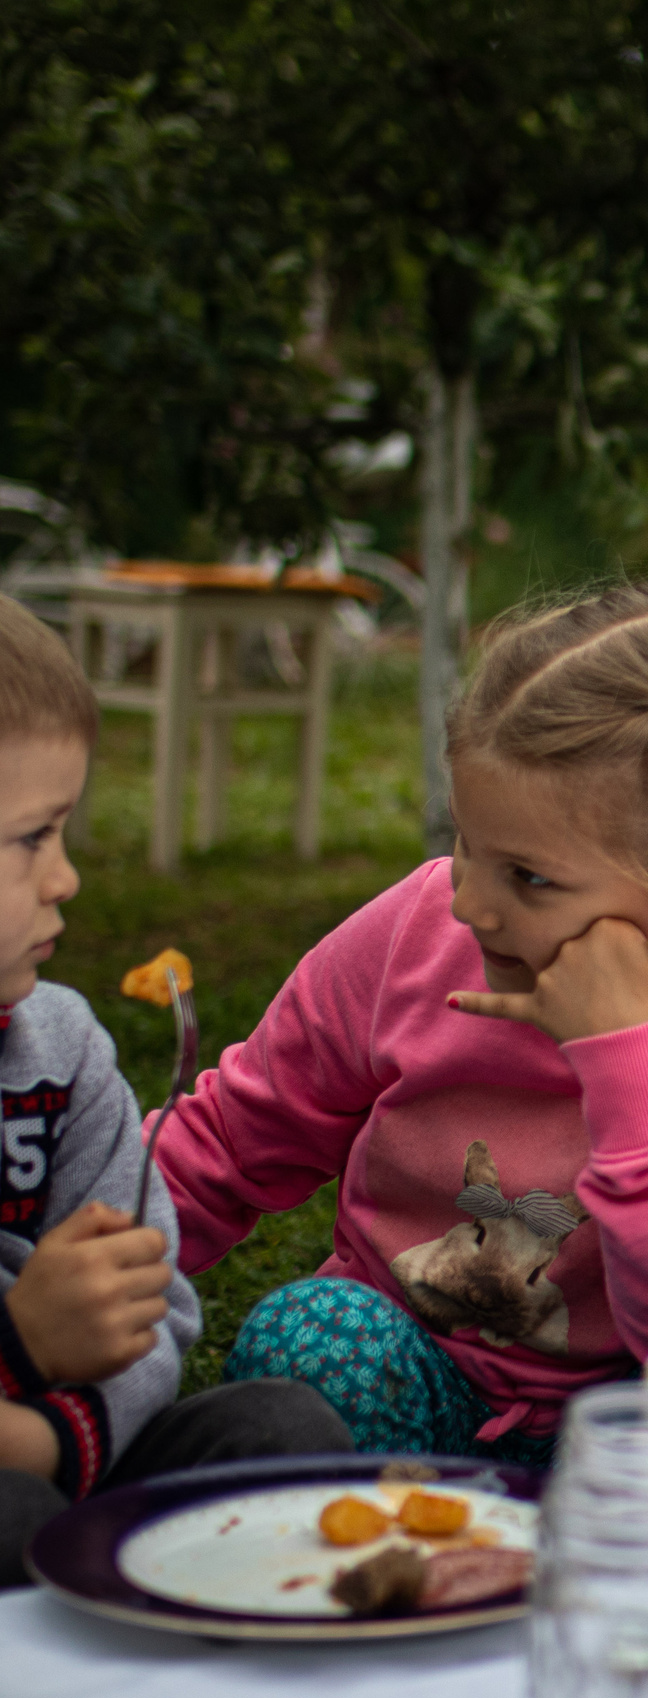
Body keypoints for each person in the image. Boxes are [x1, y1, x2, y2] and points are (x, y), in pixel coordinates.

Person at [158, 584, 648, 1460]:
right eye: (468, 844)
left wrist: (630, 1062)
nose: (469, 903)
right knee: (307, 1335)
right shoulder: (418, 928)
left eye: (530, 877)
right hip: (411, 1376)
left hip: (643, 1426)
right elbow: (229, 1139)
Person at [0, 596, 347, 1585]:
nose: (66, 878)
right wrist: (20, 1344)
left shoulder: (62, 1052)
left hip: (72, 1445)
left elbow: (155, 1307)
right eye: (33, 838)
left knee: (286, 1429)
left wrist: (58, 1441)